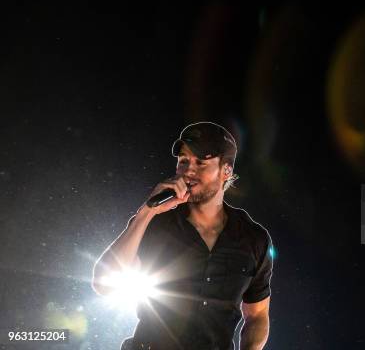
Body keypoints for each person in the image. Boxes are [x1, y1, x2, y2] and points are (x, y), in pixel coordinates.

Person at [92, 122, 273, 350]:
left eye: (200, 162)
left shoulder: (253, 239)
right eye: (183, 161)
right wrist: (146, 212)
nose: (189, 170)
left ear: (226, 170)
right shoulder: (155, 223)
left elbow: (257, 316)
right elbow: (103, 284)